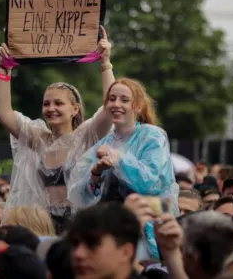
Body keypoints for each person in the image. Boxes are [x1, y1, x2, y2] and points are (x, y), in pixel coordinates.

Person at [0, 27, 115, 233]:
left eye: (58, 103)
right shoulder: (37, 138)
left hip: (81, 225)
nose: (51, 109)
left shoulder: (85, 136)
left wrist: (105, 63)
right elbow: (2, 112)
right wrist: (4, 69)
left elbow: (111, 108)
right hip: (44, 225)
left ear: (75, 109)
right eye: (47, 103)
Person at [68, 77, 179, 258]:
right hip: (111, 235)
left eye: (124, 100)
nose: (116, 104)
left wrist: (118, 159)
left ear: (137, 106)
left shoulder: (152, 136)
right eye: (112, 99)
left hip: (149, 239)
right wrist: (96, 173)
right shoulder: (103, 145)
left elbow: (151, 183)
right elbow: (78, 197)